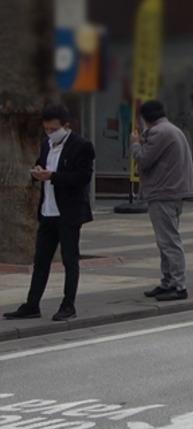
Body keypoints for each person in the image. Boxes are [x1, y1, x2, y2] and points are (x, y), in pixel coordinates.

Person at [4, 105, 94, 322]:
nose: (49, 133)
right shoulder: (46, 144)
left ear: (66, 126)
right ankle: (32, 304)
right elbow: (40, 166)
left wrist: (52, 176)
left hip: (69, 212)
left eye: (53, 129)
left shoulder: (81, 146)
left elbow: (82, 178)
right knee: (41, 260)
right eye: (46, 129)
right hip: (48, 210)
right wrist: (37, 173)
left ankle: (68, 305)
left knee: (69, 259)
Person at [129, 100, 193, 302]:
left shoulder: (159, 132)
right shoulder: (173, 130)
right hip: (173, 191)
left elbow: (143, 159)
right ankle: (168, 281)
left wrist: (134, 143)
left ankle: (178, 284)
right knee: (165, 240)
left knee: (169, 241)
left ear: (145, 118)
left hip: (163, 192)